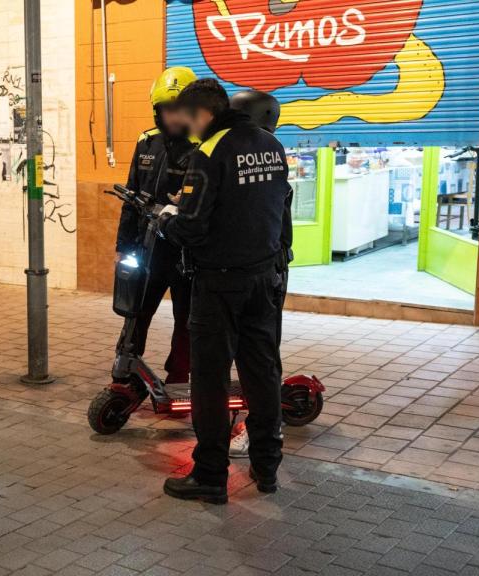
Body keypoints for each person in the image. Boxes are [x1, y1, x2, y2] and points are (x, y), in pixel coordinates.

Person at [159, 79, 288, 503]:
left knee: (210, 379)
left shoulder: (209, 151)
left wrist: (166, 219)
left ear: (203, 115)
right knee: (262, 373)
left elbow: (192, 229)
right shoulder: (271, 145)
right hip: (264, 279)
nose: (187, 128)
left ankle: (211, 475)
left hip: (219, 283)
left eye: (188, 119)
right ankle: (267, 467)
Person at [115, 66, 198, 385]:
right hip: (148, 249)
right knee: (136, 309)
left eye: (178, 109)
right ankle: (126, 366)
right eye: (166, 109)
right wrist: (123, 248)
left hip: (186, 252)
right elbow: (130, 197)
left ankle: (179, 374)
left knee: (187, 318)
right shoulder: (147, 142)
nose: (172, 117)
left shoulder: (203, 147)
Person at [225, 90, 290, 460]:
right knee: (259, 355)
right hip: (267, 268)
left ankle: (260, 428)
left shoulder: (261, 151)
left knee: (261, 357)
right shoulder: (266, 149)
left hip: (263, 270)